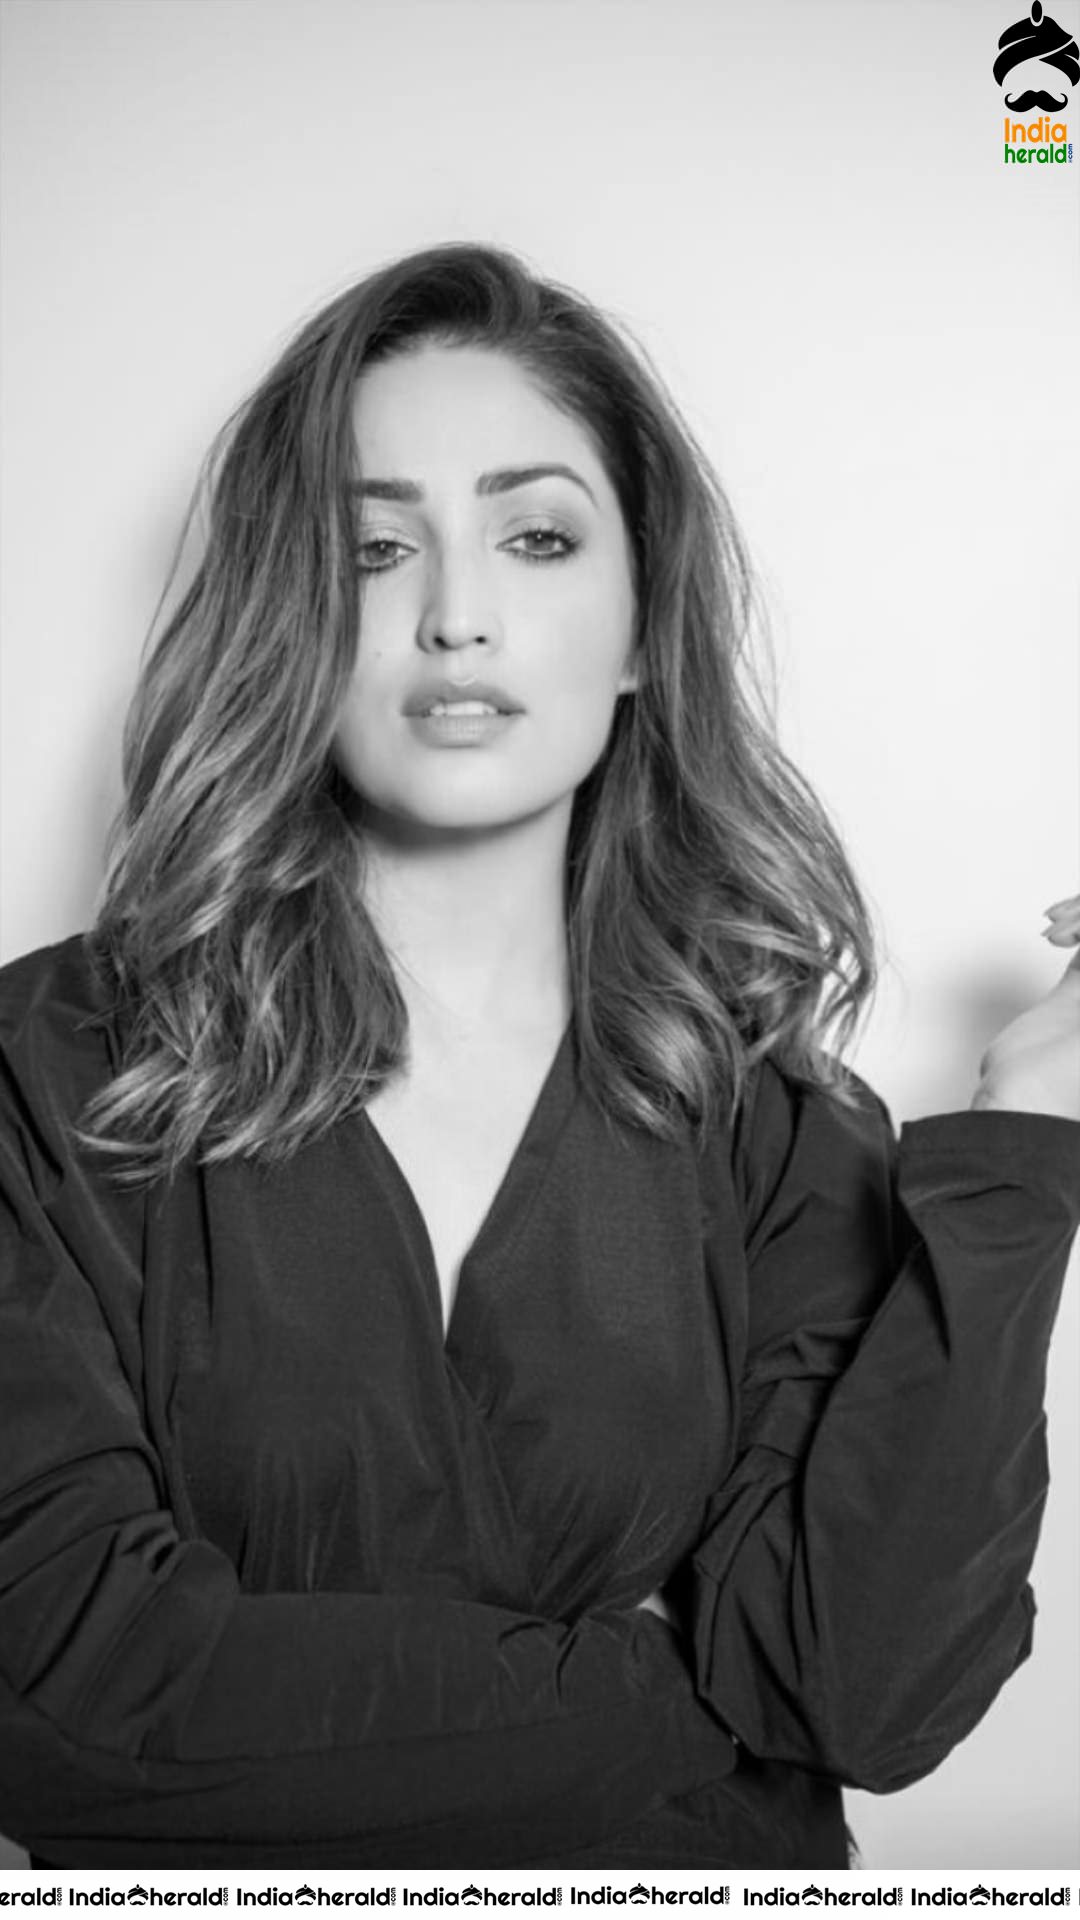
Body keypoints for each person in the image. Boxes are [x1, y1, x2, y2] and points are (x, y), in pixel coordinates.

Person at [0, 241, 1078, 1873]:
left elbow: (864, 1694)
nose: (456, 617)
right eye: (373, 550)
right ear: (289, 620)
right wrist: (677, 1698)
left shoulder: (779, 1124)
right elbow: (62, 1700)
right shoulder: (58, 1071)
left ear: (642, 626)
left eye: (538, 536)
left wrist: (1029, 1145)